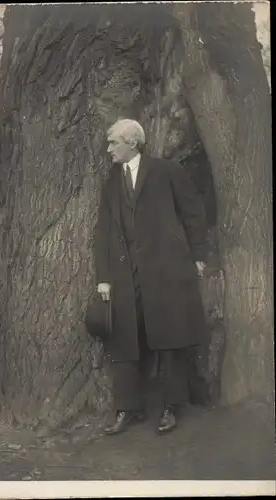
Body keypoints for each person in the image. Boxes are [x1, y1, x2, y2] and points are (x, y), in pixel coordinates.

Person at [94, 118, 209, 436]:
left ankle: (172, 406)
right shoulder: (111, 182)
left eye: (113, 142)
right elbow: (104, 231)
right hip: (125, 273)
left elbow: (192, 212)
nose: (108, 149)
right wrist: (104, 277)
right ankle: (126, 408)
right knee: (125, 338)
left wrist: (198, 255)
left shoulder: (166, 171)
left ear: (132, 142)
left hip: (166, 269)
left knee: (170, 336)